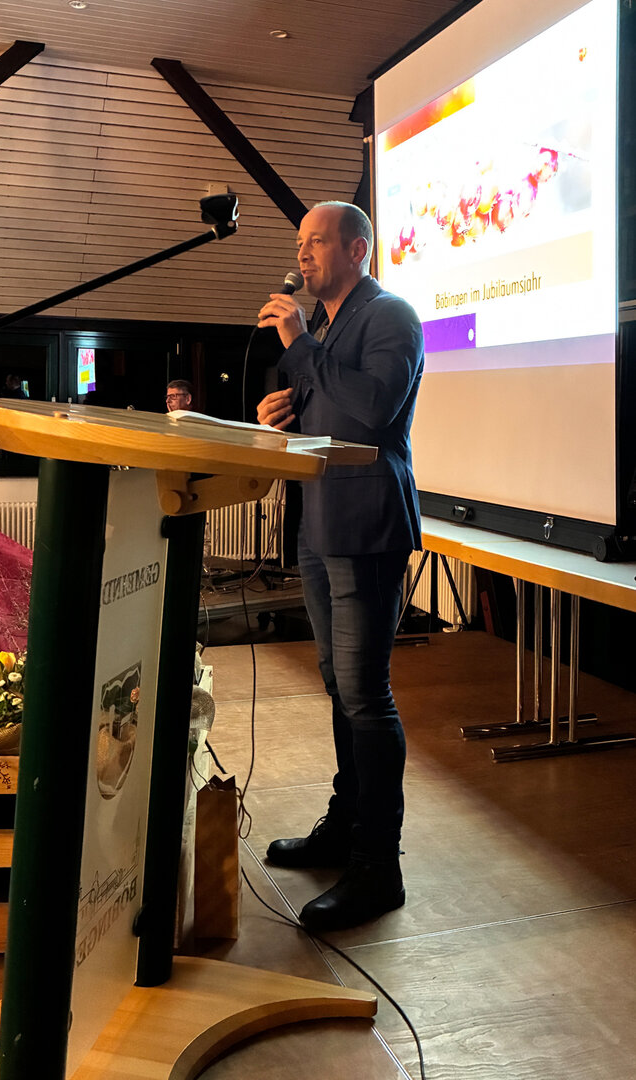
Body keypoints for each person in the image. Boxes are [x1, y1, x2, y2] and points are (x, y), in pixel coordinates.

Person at [256, 201, 424, 933]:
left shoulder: (391, 316)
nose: (303, 254)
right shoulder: (324, 329)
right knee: (337, 684)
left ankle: (377, 867)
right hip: (319, 526)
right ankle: (345, 823)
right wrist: (281, 414)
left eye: (317, 241)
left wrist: (299, 344)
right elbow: (325, 414)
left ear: (357, 249)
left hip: (366, 526)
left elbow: (373, 411)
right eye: (301, 242)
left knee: (365, 694)